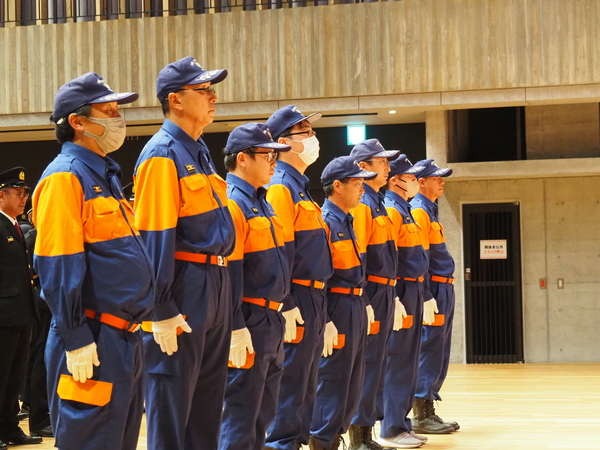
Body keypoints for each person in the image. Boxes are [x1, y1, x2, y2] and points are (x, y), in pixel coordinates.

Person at [32, 72, 155, 450]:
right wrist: (76, 339)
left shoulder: (104, 175)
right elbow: (57, 263)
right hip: (93, 338)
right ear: (78, 121)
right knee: (90, 441)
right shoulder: (64, 177)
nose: (119, 118)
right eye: (110, 110)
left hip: (125, 338)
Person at [133, 56, 235, 450]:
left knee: (208, 403)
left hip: (215, 282)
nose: (213, 97)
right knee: (172, 401)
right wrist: (160, 306)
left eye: (212, 90)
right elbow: (154, 237)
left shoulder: (198, 151)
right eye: (203, 90)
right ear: (175, 100)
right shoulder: (162, 154)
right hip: (185, 284)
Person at [264, 105, 334, 450]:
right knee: (291, 381)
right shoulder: (281, 187)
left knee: (307, 382)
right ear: (282, 142)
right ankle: (281, 444)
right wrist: (287, 301)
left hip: (315, 297)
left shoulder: (300, 186)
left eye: (311, 131)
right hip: (298, 297)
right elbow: (280, 253)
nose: (313, 137)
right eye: (304, 131)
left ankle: (295, 443)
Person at [218, 123, 292, 450]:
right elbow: (230, 273)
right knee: (241, 410)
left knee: (264, 409)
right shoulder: (232, 202)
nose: (274, 162)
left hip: (271, 318)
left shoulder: (263, 201)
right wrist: (236, 326)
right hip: (249, 318)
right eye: (267, 155)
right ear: (242, 159)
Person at [309, 157, 377, 450]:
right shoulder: (325, 221)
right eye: (357, 183)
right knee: (333, 379)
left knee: (353, 380)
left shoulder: (348, 220)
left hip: (355, 304)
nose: (363, 189)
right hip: (337, 306)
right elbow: (321, 275)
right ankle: (322, 440)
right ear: (338, 186)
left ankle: (336, 437)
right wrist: (325, 319)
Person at [347, 139, 399, 450]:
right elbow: (360, 257)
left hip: (386, 291)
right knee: (366, 363)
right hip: (372, 291)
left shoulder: (376, 201)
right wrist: (364, 299)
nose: (388, 168)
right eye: (382, 162)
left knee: (378, 363)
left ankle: (368, 430)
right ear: (363, 167)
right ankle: (359, 434)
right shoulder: (363, 204)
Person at [378, 155, 430, 448]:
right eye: (409, 176)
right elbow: (390, 259)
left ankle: (402, 423)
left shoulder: (404, 209)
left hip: (414, 290)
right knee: (397, 360)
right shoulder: (392, 209)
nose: (414, 181)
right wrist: (396, 297)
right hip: (402, 291)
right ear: (395, 179)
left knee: (409, 361)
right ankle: (391, 427)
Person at [410, 159, 459, 434]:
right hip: (434, 289)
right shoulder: (419, 210)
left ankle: (428, 407)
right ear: (421, 182)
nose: (441, 182)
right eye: (436, 177)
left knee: (439, 349)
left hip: (444, 287)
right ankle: (421, 412)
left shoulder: (430, 209)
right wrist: (426, 294)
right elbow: (421, 259)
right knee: (429, 348)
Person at [0, 167, 42, 449]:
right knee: (1, 375)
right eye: (18, 193)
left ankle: (10, 427)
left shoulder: (14, 225)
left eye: (25, 193)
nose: (23, 198)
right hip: (3, 314)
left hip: (21, 311)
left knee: (14, 377)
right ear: (1, 195)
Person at [21, 209, 54, 438]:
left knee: (39, 357)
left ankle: (34, 406)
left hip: (45, 301)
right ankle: (39, 416)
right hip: (42, 302)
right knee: (40, 358)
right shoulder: (34, 235)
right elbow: (32, 272)